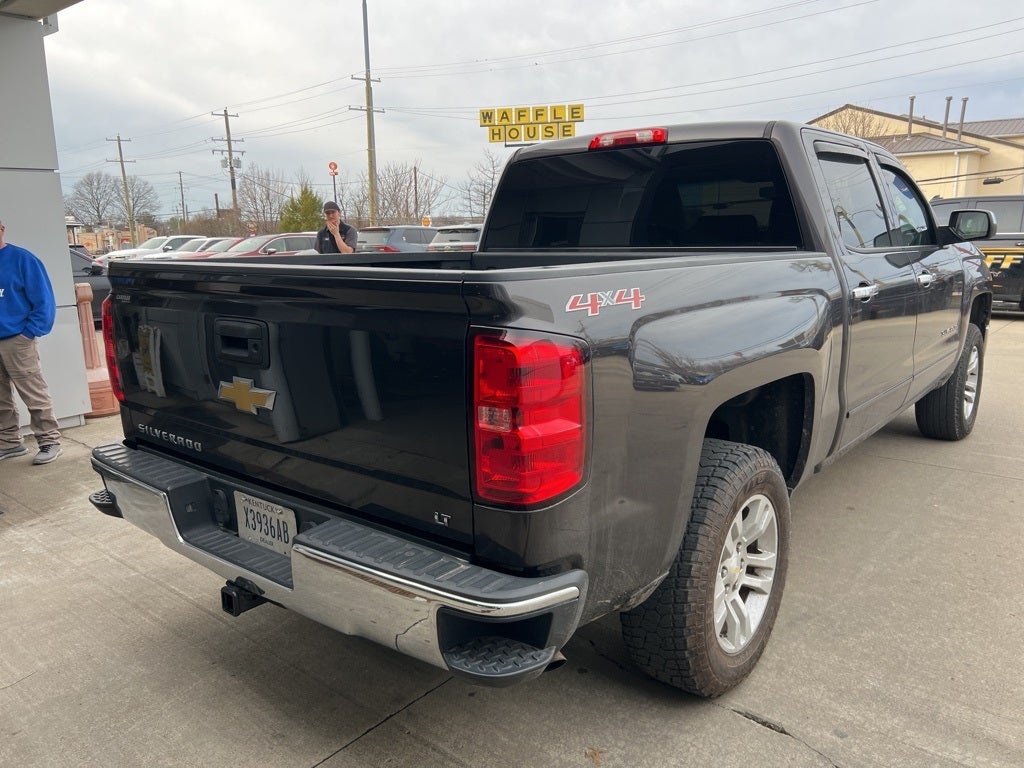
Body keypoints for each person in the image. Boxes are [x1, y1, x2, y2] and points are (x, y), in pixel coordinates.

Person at [0, 219, 62, 465]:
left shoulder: (23, 260)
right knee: (0, 399)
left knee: (33, 392)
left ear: (2, 229)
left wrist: (29, 333)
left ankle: (49, 441)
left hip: (17, 340)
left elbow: (44, 303)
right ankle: (10, 443)